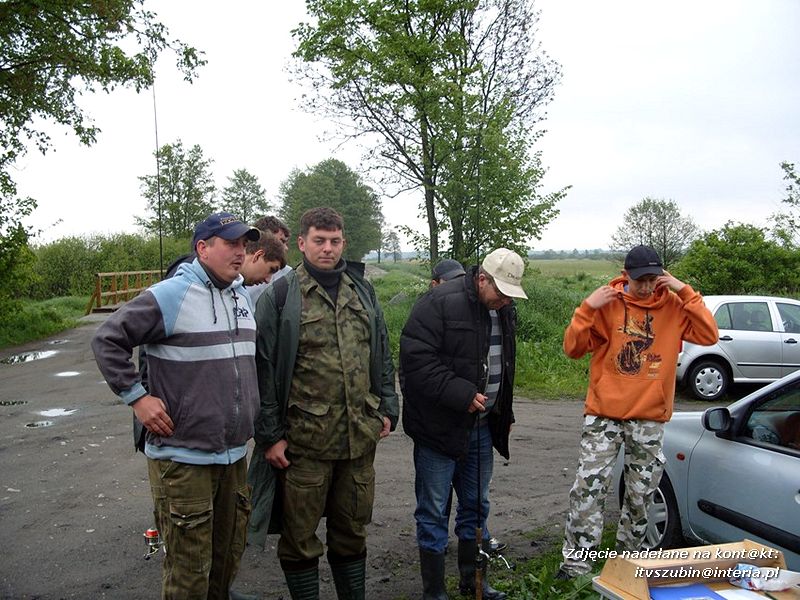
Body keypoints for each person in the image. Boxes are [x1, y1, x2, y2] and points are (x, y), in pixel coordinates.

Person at [92, 211, 262, 599]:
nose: (240, 252)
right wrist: (138, 398)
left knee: (225, 565)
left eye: (243, 244)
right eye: (230, 244)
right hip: (183, 458)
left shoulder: (241, 296)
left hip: (234, 456)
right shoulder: (172, 294)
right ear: (202, 249)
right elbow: (107, 339)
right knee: (189, 574)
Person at [249, 206, 399, 600]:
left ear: (343, 242)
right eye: (319, 240)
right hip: (305, 445)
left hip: (358, 441)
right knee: (300, 539)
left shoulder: (362, 290)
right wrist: (269, 437)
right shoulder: (281, 296)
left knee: (351, 532)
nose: (328, 248)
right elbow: (263, 372)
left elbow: (380, 350)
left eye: (334, 241)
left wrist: (387, 407)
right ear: (301, 243)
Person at [556, 245, 718, 579]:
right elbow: (572, 349)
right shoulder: (608, 305)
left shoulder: (672, 305)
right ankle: (576, 564)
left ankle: (629, 563)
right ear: (625, 275)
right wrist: (587, 308)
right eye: (639, 279)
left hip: (648, 418)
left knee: (641, 493)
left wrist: (683, 290)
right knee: (589, 487)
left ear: (661, 276)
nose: (646, 286)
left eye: (652, 278)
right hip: (604, 415)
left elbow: (709, 334)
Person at [400, 248, 528, 600]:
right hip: (437, 430)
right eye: (500, 293)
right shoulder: (438, 302)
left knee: (476, 507)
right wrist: (459, 393)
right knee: (433, 510)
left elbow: (505, 364)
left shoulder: (502, 309)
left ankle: (474, 584)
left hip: (482, 428)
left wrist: (505, 411)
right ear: (482, 278)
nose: (504, 301)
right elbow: (415, 359)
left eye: (509, 295)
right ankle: (434, 593)